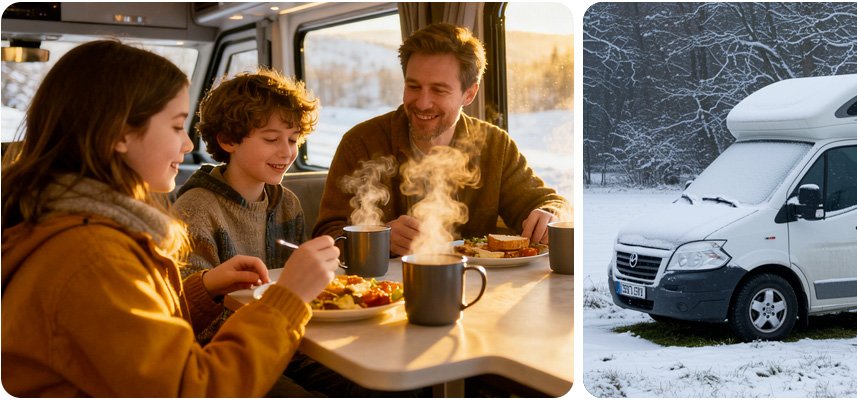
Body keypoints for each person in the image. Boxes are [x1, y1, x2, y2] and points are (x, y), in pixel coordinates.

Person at [1, 40, 340, 397]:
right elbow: (192, 389)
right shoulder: (94, 257)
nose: (188, 145)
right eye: (177, 126)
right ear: (120, 133)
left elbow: (139, 337)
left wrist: (204, 290)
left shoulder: (89, 230)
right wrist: (287, 297)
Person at [312, 23, 568, 256]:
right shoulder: (361, 142)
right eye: (413, 86)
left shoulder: (495, 145)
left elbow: (549, 203)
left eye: (439, 90)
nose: (423, 103)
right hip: (384, 287)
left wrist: (550, 215)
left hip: (475, 281)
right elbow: (326, 237)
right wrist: (378, 239)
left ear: (469, 94)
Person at [173, 68, 314, 343]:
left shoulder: (287, 204)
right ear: (228, 140)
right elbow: (189, 318)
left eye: (293, 139)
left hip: (289, 337)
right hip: (231, 346)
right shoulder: (195, 210)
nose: (287, 152)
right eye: (271, 139)